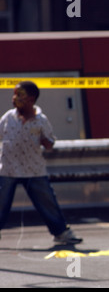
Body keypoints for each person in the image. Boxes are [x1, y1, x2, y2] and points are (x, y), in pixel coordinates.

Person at [0, 81, 82, 245]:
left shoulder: (40, 120)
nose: (14, 98)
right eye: (14, 94)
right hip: (8, 168)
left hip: (34, 169)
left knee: (47, 202)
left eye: (19, 94)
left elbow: (50, 142)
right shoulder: (8, 117)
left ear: (31, 99)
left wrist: (46, 142)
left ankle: (61, 232)